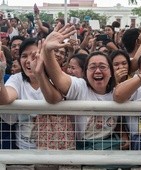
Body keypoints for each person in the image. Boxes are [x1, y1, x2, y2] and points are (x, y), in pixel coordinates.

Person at [41, 23, 128, 151]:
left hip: (109, 148)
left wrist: (123, 135)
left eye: (102, 67)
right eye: (92, 67)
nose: (97, 71)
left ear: (111, 72)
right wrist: (47, 51)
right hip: (83, 149)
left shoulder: (118, 91)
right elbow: (59, 78)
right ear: (85, 73)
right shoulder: (80, 87)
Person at [0, 38, 63, 150]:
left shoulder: (56, 78)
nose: (29, 61)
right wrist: (0, 76)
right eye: (24, 56)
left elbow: (54, 98)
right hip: (22, 150)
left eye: (34, 56)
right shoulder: (17, 79)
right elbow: (5, 98)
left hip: (52, 151)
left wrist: (39, 74)